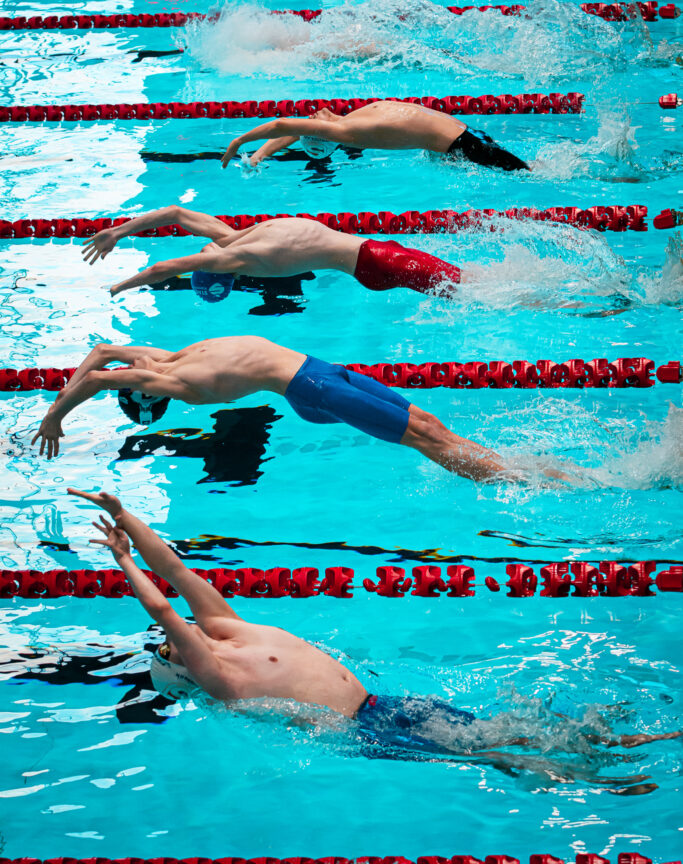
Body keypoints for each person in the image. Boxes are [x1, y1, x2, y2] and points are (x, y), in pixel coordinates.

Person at [65, 487, 682, 763]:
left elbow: (176, 572)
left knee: (500, 729)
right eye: (170, 647)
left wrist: (128, 519)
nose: (171, 638)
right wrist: (120, 559)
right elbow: (163, 608)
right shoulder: (218, 674)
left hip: (385, 703)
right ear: (183, 666)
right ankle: (603, 788)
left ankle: (621, 744)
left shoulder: (228, 626)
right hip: (369, 734)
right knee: (496, 756)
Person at [31, 335, 566, 484]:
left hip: (323, 371)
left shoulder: (165, 362)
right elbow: (102, 370)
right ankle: (519, 478)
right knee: (425, 442)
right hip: (316, 390)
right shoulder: (178, 377)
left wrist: (57, 412)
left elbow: (101, 356)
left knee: (429, 426)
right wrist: (59, 412)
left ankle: (509, 466)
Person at [81, 204, 467, 299]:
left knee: (471, 288)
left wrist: (118, 230)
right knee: (474, 290)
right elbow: (164, 267)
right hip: (377, 260)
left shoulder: (233, 237)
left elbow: (176, 214)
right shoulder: (236, 254)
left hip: (375, 259)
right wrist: (120, 286)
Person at [221, 102, 529, 171]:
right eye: (312, 124)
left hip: (464, 141)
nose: (311, 116)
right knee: (532, 175)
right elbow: (282, 126)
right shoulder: (347, 130)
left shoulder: (347, 125)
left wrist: (260, 154)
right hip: (468, 145)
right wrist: (238, 143)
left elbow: (293, 132)